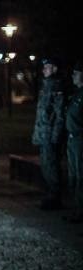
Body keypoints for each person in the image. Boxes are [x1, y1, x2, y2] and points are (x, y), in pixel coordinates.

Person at [33, 58, 66, 210]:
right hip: (43, 134)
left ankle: (55, 196)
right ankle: (50, 194)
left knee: (52, 166)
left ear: (54, 68)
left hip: (50, 136)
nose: (44, 70)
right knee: (46, 166)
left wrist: (55, 137)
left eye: (47, 67)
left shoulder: (57, 87)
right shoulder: (45, 87)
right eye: (44, 67)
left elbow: (59, 115)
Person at [65, 61, 83, 223]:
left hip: (79, 140)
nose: (73, 76)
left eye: (76, 73)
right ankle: (76, 209)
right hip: (72, 139)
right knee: (73, 175)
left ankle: (79, 211)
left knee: (80, 176)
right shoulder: (76, 94)